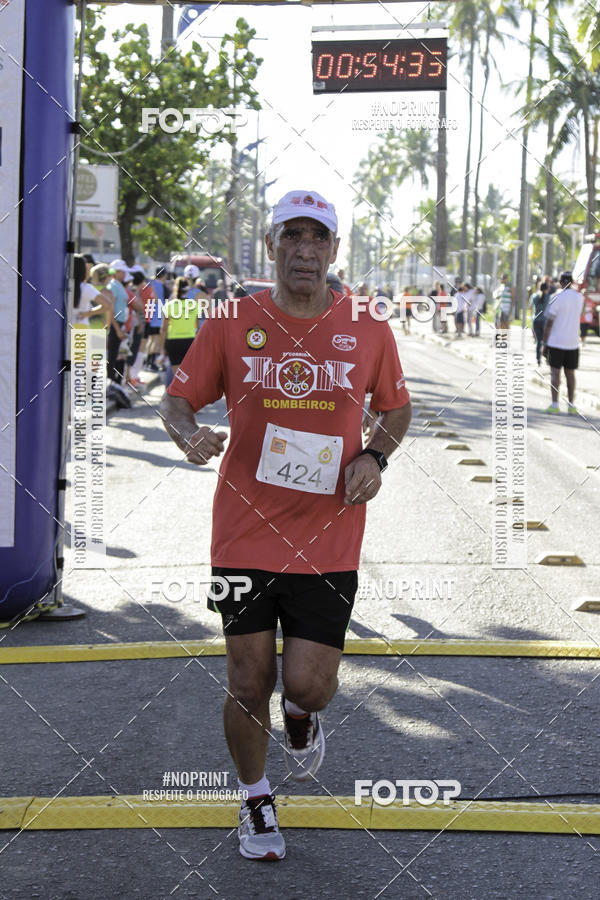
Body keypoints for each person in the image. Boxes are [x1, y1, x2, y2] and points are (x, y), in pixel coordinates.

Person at [161, 189, 412, 862]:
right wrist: (188, 434)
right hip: (241, 533)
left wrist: (374, 454)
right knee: (247, 681)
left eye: (318, 238)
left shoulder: (366, 325)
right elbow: (178, 398)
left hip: (329, 536)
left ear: (334, 249)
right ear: (272, 245)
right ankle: (255, 799)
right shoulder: (229, 320)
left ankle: (301, 719)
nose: (305, 250)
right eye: (291, 236)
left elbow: (395, 410)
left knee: (307, 683)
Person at [542, 271, 585, 414]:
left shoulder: (556, 297)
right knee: (570, 374)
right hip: (573, 342)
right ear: (572, 282)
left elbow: (549, 323)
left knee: (555, 374)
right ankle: (571, 405)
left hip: (556, 342)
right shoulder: (579, 298)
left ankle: (555, 405)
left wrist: (544, 344)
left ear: (560, 282)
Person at [158, 277, 203, 388]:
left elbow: (163, 329)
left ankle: (178, 393)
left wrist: (162, 349)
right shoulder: (195, 305)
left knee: (177, 373)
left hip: (173, 341)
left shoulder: (169, 305)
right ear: (187, 290)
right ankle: (186, 393)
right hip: (189, 340)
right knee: (188, 371)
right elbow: (196, 325)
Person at [107, 259, 131, 384]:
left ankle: (115, 382)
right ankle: (110, 382)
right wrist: (116, 328)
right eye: (122, 271)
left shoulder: (118, 284)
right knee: (112, 355)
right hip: (115, 324)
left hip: (120, 324)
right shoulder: (112, 286)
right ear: (116, 272)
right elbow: (110, 309)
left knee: (118, 354)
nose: (124, 274)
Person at [530, 279, 549, 365]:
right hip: (545, 321)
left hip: (536, 320)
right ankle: (547, 357)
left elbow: (530, 306)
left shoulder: (534, 296)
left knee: (538, 341)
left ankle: (538, 359)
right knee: (546, 341)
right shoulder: (548, 297)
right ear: (547, 288)